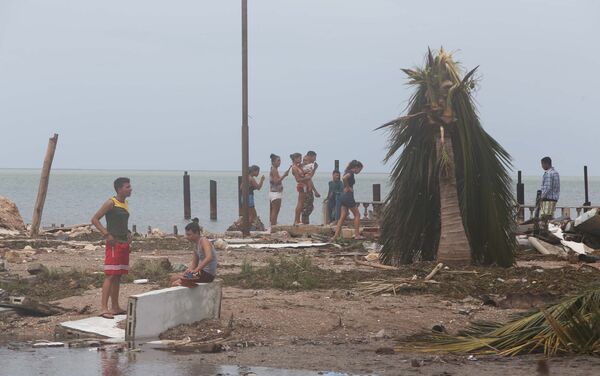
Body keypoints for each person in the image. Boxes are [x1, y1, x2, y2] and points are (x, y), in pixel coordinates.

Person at [91, 177, 132, 319]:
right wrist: (106, 234)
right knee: (110, 274)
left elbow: (121, 222)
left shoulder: (125, 203)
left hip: (123, 243)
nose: (130, 189)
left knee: (118, 275)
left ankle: (115, 306)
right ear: (119, 189)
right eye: (127, 187)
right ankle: (103, 308)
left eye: (129, 186)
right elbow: (95, 219)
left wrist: (128, 234)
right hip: (113, 243)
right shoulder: (111, 202)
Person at [171, 221, 217, 286]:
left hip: (208, 274)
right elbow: (194, 264)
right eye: (186, 234)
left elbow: (209, 257)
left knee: (175, 283)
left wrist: (196, 270)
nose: (187, 237)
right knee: (173, 278)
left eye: (189, 235)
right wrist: (187, 271)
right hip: (201, 272)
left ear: (197, 233)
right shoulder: (195, 245)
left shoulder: (204, 241)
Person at [334, 160, 364, 240]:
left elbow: (344, 178)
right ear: (356, 168)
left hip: (343, 197)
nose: (359, 171)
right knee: (357, 215)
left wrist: (346, 187)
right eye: (360, 169)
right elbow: (344, 178)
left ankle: (336, 235)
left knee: (342, 216)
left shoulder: (347, 171)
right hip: (348, 196)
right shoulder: (350, 172)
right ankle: (357, 235)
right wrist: (347, 187)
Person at [269, 154, 291, 226]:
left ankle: (273, 225)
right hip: (276, 193)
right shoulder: (274, 170)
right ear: (273, 162)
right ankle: (273, 226)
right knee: (275, 211)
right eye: (278, 161)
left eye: (280, 161)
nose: (279, 162)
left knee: (273, 211)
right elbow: (276, 182)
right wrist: (284, 175)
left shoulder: (273, 169)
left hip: (273, 193)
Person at [540, 156, 560, 230]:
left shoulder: (548, 174)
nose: (542, 166)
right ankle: (550, 230)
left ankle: (545, 230)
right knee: (550, 215)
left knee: (545, 216)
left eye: (542, 164)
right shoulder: (555, 173)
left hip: (548, 198)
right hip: (554, 198)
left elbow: (547, 187)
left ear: (546, 164)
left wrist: (541, 197)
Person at [290, 152, 310, 225]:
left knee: (301, 203)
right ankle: (296, 220)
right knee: (300, 203)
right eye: (299, 158)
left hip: (303, 185)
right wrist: (306, 177)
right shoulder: (294, 168)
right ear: (295, 159)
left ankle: (298, 220)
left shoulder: (298, 166)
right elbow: (297, 179)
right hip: (301, 185)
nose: (301, 160)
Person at [301, 151, 321, 224]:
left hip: (307, 188)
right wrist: (315, 191)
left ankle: (306, 223)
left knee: (309, 207)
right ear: (310, 156)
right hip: (305, 189)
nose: (315, 159)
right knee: (306, 208)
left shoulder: (309, 165)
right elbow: (308, 177)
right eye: (314, 157)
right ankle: (304, 224)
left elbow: (309, 178)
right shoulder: (306, 164)